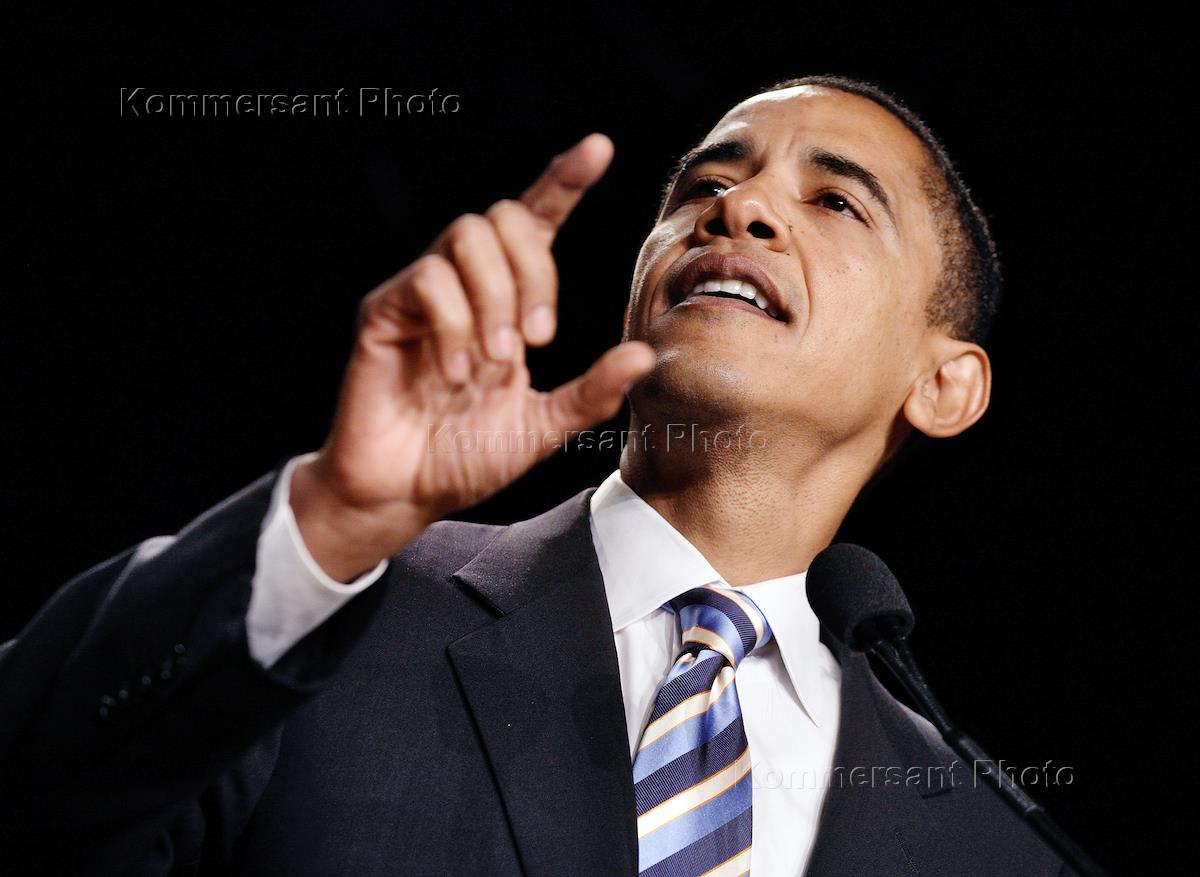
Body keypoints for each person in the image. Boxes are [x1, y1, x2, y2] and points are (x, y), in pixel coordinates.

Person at [0, 75, 1075, 876]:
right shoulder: (336, 614)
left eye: (836, 201)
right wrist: (330, 518)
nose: (739, 210)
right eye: (706, 183)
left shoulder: (985, 837)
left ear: (945, 385)